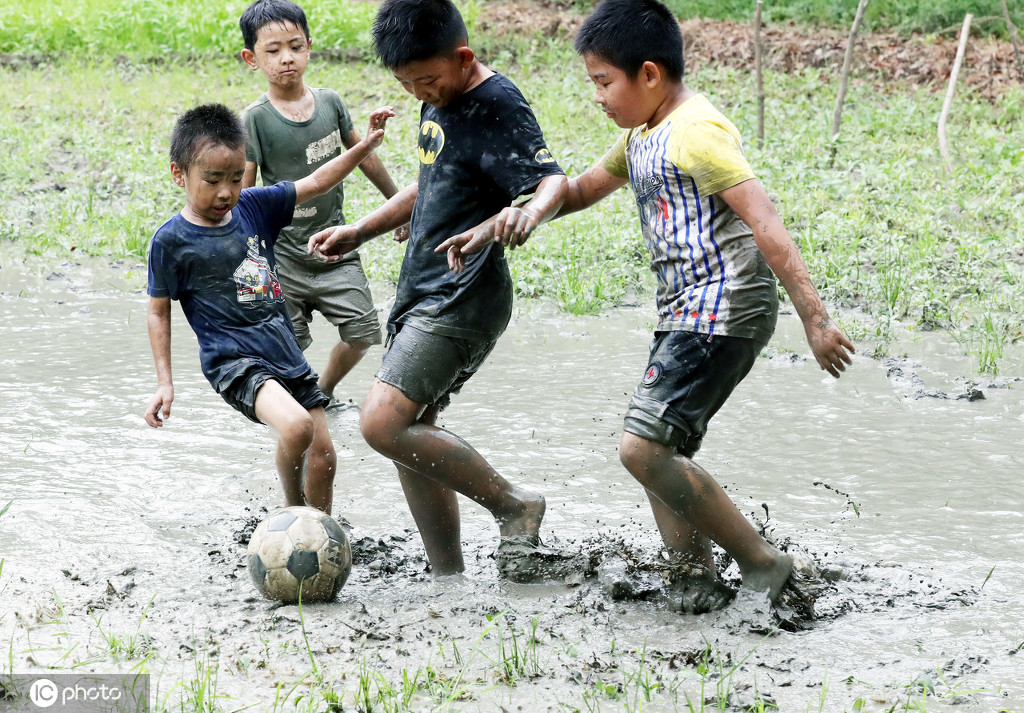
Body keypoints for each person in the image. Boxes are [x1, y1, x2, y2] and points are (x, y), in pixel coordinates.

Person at [444, 0, 854, 610]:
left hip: (724, 306)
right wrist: (515, 213)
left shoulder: (695, 132)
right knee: (659, 447)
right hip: (687, 311)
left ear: (651, 75)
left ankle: (762, 563)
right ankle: (693, 578)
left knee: (643, 448)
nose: (598, 97)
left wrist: (815, 322)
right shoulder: (644, 133)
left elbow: (765, 221)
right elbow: (580, 190)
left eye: (604, 82)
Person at [306, 0, 568, 577]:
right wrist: (359, 231)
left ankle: (515, 505)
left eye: (427, 80)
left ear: (464, 57)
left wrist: (530, 214)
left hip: (463, 293)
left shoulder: (496, 102)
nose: (420, 93)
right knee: (412, 434)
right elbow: (430, 185)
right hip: (421, 288)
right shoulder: (436, 101)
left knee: (382, 423)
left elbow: (551, 179)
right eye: (407, 84)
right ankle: (446, 576)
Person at [144, 102, 394, 515]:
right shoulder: (171, 241)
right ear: (178, 174)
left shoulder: (254, 207)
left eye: (235, 178)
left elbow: (315, 181)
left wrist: (364, 146)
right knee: (296, 428)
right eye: (211, 180)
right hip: (234, 360)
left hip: (283, 350)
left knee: (325, 456)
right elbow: (158, 311)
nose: (226, 191)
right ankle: (293, 517)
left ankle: (323, 530)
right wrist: (165, 383)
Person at [239, 0, 406, 410]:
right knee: (284, 344)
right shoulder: (255, 120)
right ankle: (298, 406)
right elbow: (243, 197)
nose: (286, 59)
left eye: (295, 46)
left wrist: (401, 205)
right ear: (251, 59)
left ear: (309, 47)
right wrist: (242, 256)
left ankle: (323, 391)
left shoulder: (330, 102)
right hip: (282, 256)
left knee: (364, 332)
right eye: (273, 50)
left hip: (336, 245)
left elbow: (364, 155)